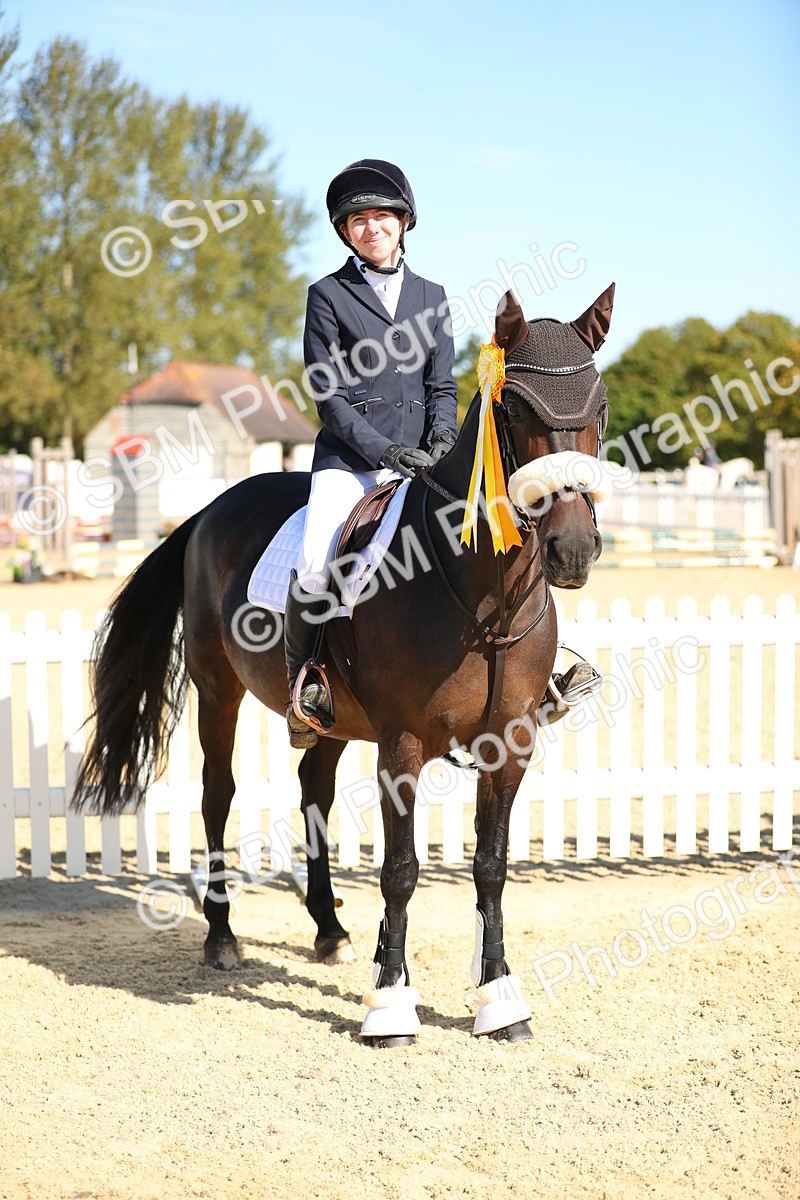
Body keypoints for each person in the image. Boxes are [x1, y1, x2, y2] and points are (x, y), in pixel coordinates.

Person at [283, 159, 458, 747]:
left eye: (382, 215)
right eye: (358, 218)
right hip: (351, 462)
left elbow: (443, 386)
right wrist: (385, 451)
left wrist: (442, 445)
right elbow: (328, 396)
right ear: (345, 230)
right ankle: (303, 687)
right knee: (313, 560)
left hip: (425, 459)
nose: (371, 226)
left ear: (404, 223)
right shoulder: (328, 295)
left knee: (497, 534)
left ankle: (531, 677)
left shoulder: (433, 296)